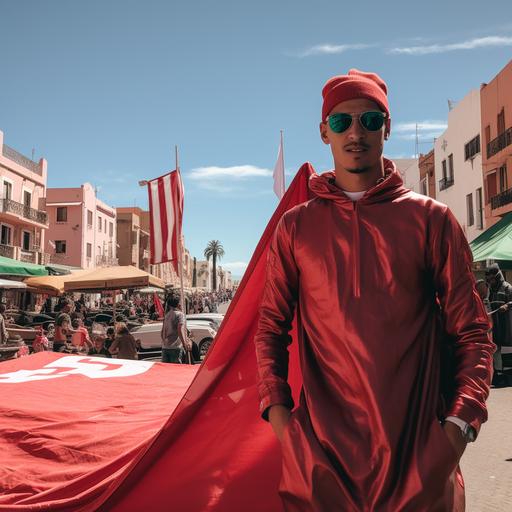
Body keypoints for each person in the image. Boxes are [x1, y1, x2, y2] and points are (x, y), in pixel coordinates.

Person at [254, 69, 495, 511]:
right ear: (324, 131)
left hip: (419, 465)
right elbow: (270, 328)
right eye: (342, 122)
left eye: (369, 119)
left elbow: (474, 333)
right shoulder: (296, 228)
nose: (356, 132)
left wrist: (458, 428)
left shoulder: (432, 221)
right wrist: (283, 423)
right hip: (321, 466)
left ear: (388, 126)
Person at [485, 263, 512, 387]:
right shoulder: (489, 291)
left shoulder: (507, 287)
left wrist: (507, 305)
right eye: (489, 279)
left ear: (498, 276)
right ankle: (499, 374)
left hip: (507, 322)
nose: (491, 281)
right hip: (496, 324)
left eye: (492, 278)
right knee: (496, 348)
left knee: (507, 346)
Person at [161, 294, 191, 363]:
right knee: (176, 371)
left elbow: (162, 331)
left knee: (167, 372)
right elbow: (180, 329)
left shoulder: (167, 315)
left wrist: (164, 342)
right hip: (175, 347)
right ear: (178, 304)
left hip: (165, 347)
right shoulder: (180, 314)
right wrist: (184, 344)